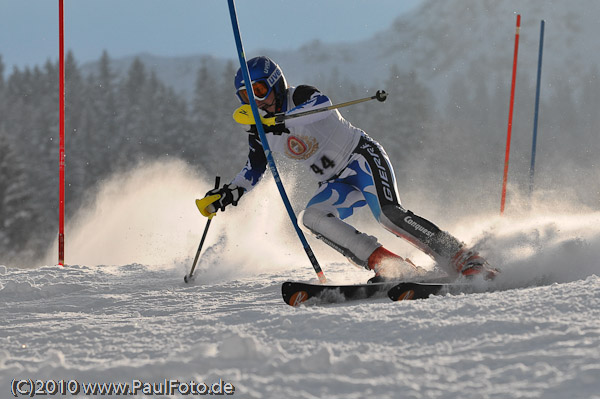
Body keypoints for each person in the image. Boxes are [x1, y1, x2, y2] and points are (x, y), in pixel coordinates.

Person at [200, 55, 498, 282]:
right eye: (247, 97)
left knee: (388, 215)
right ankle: (393, 267)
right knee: (312, 217)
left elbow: (321, 106)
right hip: (334, 182)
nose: (258, 101)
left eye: (261, 90)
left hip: (361, 158)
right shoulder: (259, 130)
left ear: (276, 83)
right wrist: (229, 193)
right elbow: (253, 169)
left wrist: (278, 122)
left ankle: (465, 258)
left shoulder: (300, 96)